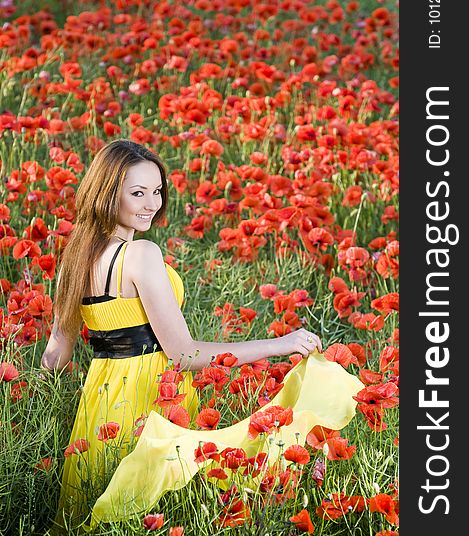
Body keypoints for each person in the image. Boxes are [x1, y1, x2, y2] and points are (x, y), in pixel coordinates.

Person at [41, 139, 362, 534]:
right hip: (152, 398)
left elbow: (55, 355)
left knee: (99, 513)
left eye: (156, 191)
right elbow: (184, 354)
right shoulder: (140, 253)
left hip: (98, 405)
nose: (151, 204)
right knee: (153, 513)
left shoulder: (74, 258)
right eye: (137, 193)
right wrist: (281, 344)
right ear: (108, 194)